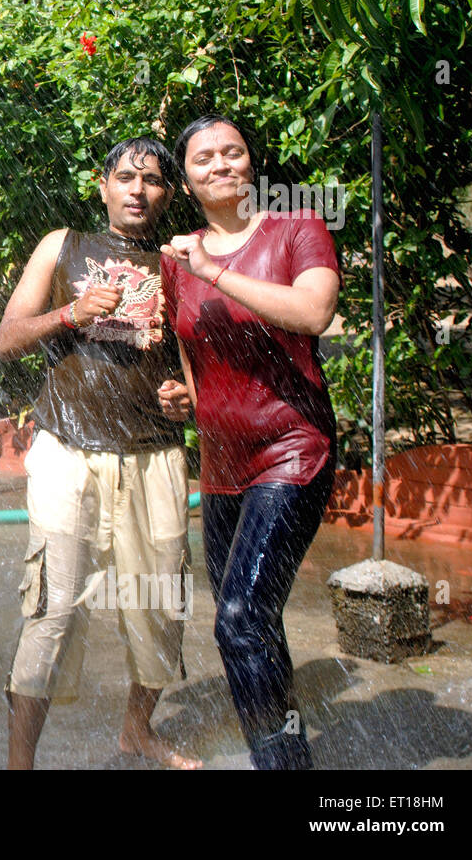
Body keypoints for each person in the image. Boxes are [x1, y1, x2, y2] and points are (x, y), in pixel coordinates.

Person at [0, 136, 200, 770]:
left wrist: (187, 397)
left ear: (169, 195)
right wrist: (71, 312)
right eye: (126, 177)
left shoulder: (181, 264)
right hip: (67, 451)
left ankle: (137, 730)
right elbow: (7, 339)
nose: (139, 190)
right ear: (103, 184)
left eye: (154, 181)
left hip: (156, 455)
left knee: (161, 604)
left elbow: (199, 368)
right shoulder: (63, 246)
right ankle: (20, 762)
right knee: (52, 611)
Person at [160, 115, 339, 770]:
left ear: (250, 164)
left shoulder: (297, 229)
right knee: (258, 623)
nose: (221, 165)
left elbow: (313, 311)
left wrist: (216, 269)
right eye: (204, 158)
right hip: (222, 467)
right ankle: (288, 754)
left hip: (292, 450)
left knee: (237, 619)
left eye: (232, 152)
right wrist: (183, 400)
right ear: (187, 179)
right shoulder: (176, 259)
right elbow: (192, 360)